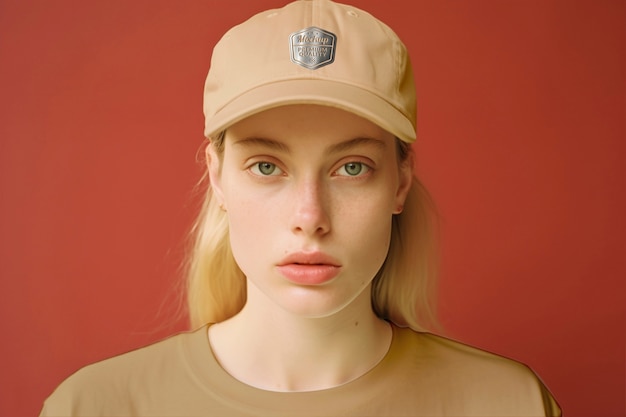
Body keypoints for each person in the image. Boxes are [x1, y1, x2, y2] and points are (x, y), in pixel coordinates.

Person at [40, 0, 561, 415]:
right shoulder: (94, 407)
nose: (310, 216)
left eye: (352, 167)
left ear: (400, 182)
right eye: (267, 166)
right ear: (217, 177)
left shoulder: (508, 405)